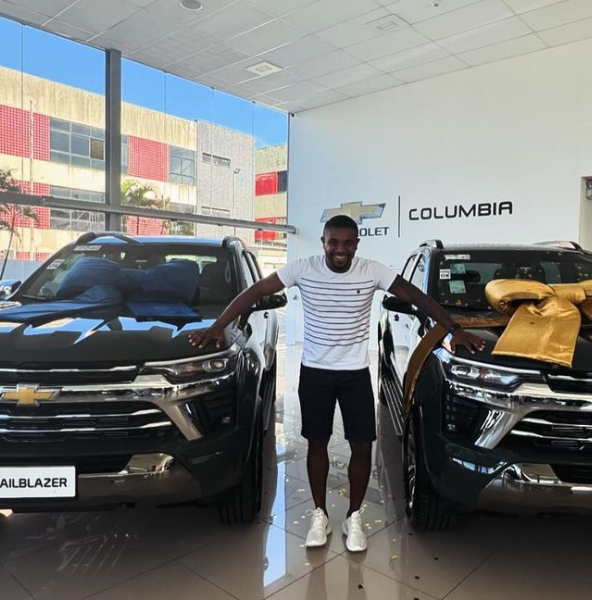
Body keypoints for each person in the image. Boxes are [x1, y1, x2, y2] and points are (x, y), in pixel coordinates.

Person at [189, 215, 484, 552]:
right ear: (324, 243)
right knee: (317, 443)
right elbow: (256, 291)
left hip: (355, 374)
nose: (340, 249)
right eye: (333, 242)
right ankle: (320, 515)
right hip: (315, 373)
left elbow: (417, 296)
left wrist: (454, 328)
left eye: (347, 243)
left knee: (362, 446)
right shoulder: (303, 268)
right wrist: (218, 326)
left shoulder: (372, 270)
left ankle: (354, 517)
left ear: (356, 245)